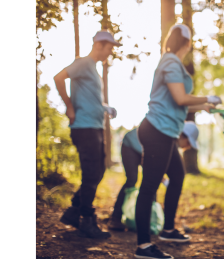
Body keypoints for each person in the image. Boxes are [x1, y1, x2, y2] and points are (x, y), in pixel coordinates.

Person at [134, 24, 222, 259]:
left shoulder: (172, 62)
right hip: (157, 131)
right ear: (188, 43)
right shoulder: (171, 62)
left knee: (178, 175)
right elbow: (180, 97)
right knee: (149, 187)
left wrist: (203, 106)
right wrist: (207, 96)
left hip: (166, 132)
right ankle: (143, 246)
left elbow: (178, 102)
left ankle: (168, 230)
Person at [55, 31, 121, 239]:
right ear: (99, 45)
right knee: (92, 173)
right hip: (84, 127)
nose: (110, 53)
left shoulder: (93, 69)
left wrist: (104, 108)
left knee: (99, 170)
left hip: (95, 125)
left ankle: (75, 212)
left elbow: (89, 97)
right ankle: (86, 219)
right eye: (109, 48)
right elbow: (58, 78)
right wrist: (69, 106)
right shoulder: (83, 63)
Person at [108, 122, 200, 231]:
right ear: (182, 135)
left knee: (152, 182)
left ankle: (149, 220)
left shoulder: (171, 144)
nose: (188, 147)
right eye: (189, 143)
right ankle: (115, 218)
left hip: (143, 150)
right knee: (132, 179)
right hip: (130, 146)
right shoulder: (165, 138)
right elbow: (150, 159)